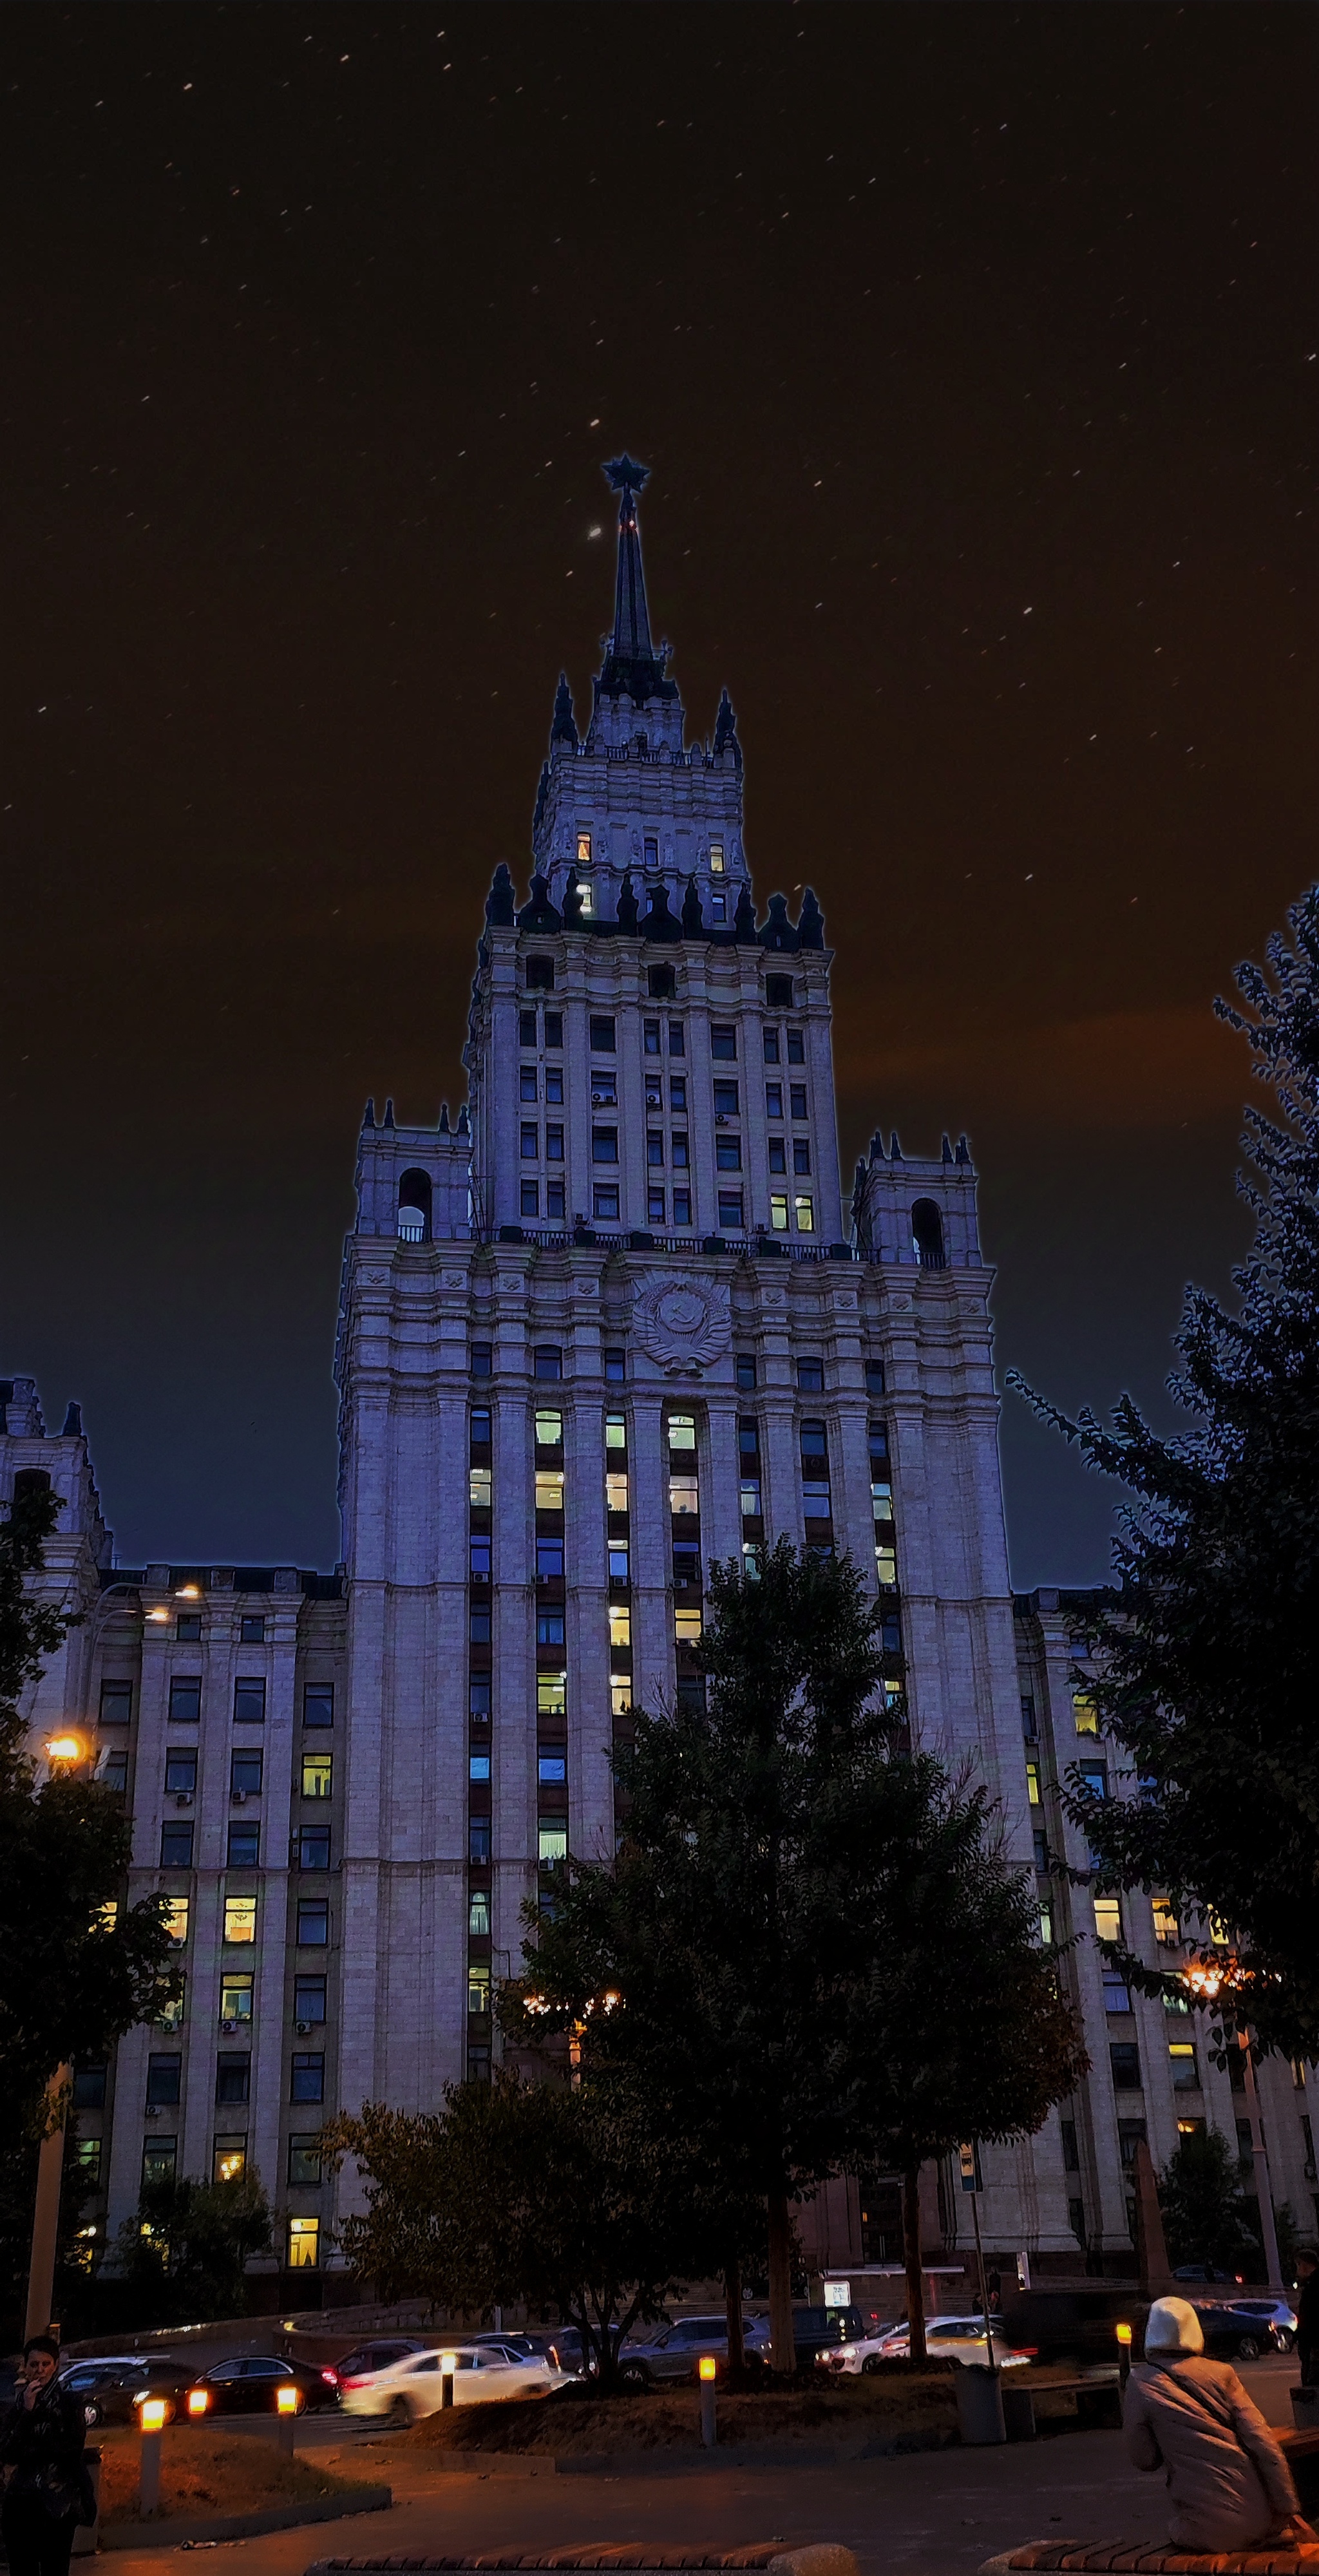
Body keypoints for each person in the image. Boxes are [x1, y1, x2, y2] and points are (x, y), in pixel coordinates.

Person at [1123, 2295, 1310, 2552]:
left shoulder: (1140, 2382)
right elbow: (1262, 2442)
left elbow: (1145, 2460)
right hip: (1261, 2519)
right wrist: (1287, 2510)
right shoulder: (1223, 2373)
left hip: (1206, 2530)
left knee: (1174, 2532)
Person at [0, 2334, 93, 2576]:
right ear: (25, 2367)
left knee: (55, 2567)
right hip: (21, 2501)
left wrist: (33, 2449)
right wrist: (28, 2414)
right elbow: (9, 2452)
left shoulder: (70, 2403)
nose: (40, 2371)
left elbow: (71, 2447)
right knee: (22, 2567)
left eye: (45, 2364)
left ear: (55, 2365)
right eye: (34, 2365)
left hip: (58, 2499)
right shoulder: (19, 2406)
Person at [1295, 2246, 1319, 2389]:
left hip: (1314, 2347)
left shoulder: (1313, 2287)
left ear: (1303, 2265)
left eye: (1297, 2266)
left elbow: (1310, 2318)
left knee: (1313, 2389)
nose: (1297, 2272)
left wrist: (1300, 2336)